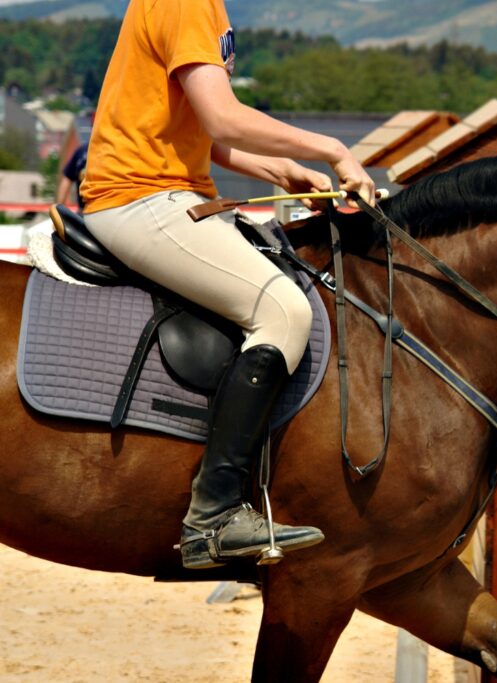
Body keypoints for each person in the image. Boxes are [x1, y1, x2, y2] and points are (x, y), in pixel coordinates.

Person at [80, 0, 376, 569]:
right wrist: (333, 149)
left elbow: (197, 131)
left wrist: (278, 170)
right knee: (284, 313)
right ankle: (212, 517)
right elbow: (222, 118)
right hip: (140, 198)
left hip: (171, 190)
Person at [56, 142, 89, 212]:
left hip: (106, 206)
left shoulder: (112, 149)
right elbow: (67, 178)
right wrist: (59, 208)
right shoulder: (82, 151)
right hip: (83, 209)